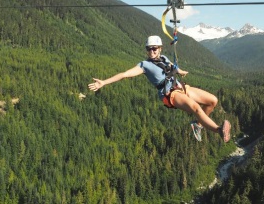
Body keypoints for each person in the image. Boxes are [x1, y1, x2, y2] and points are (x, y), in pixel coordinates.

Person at [88, 35, 231, 143]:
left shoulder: (163, 58)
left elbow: (172, 67)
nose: (151, 51)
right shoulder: (144, 65)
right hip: (169, 94)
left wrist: (179, 71)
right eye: (149, 49)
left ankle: (198, 125)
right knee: (196, 109)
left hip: (180, 87)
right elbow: (124, 74)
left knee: (212, 101)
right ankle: (219, 130)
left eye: (154, 48)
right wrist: (104, 82)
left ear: (159, 49)